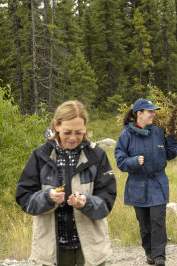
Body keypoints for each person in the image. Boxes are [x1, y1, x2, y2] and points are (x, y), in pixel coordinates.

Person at [16, 100, 117, 266]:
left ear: (85, 128)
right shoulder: (40, 155)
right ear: (56, 126)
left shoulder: (97, 155)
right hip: (54, 251)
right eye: (67, 131)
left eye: (78, 132)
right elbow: (24, 198)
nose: (73, 138)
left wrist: (86, 202)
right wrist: (47, 198)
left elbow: (107, 201)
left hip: (91, 248)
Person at [115, 99, 177, 266]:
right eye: (150, 111)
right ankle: (149, 252)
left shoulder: (157, 132)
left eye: (154, 111)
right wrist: (134, 161)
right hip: (137, 185)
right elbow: (120, 162)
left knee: (158, 220)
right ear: (139, 113)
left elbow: (170, 154)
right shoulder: (126, 135)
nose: (153, 114)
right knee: (144, 224)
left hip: (158, 183)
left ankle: (159, 257)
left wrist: (172, 137)